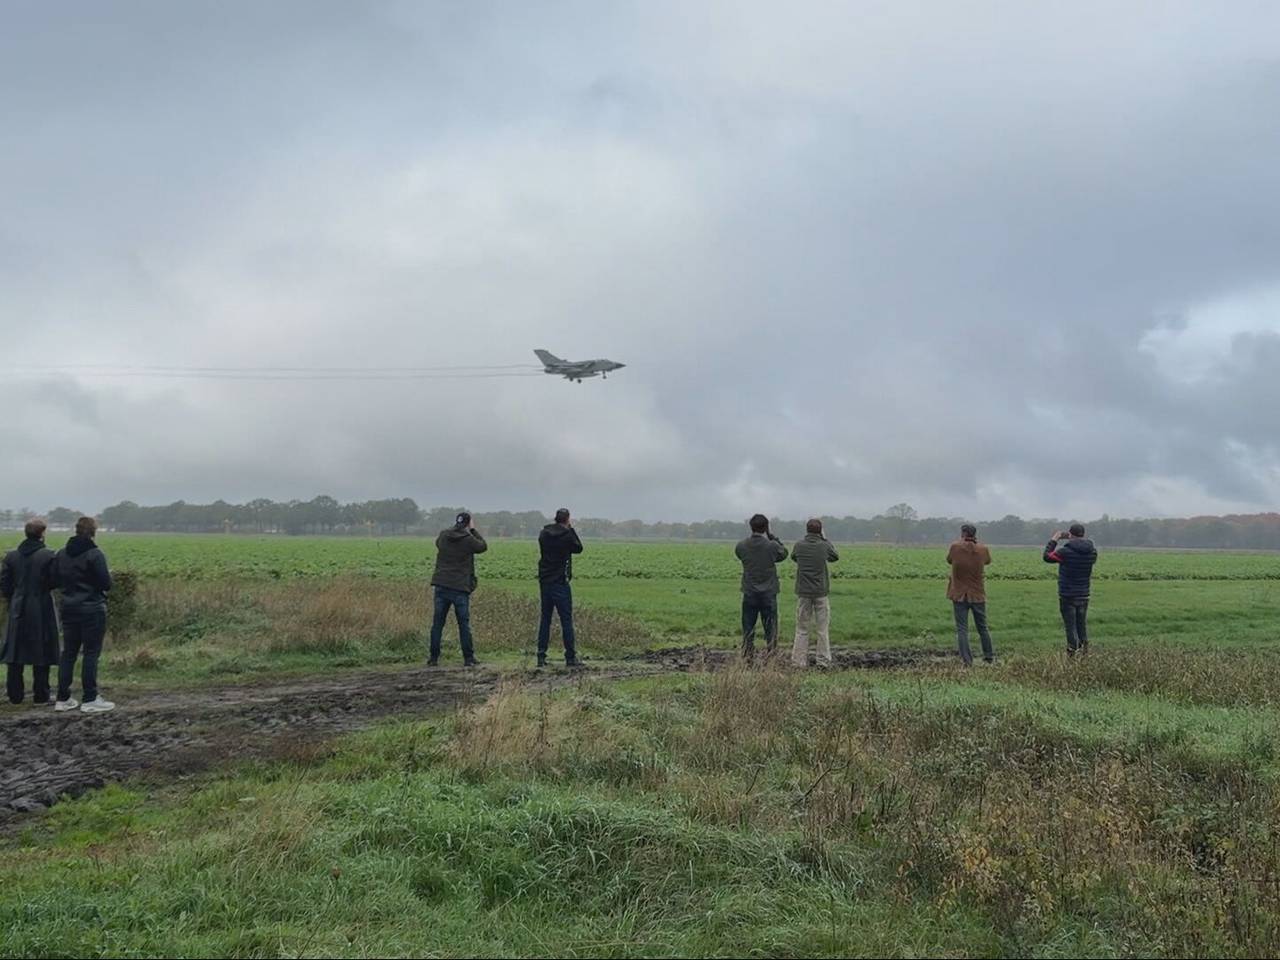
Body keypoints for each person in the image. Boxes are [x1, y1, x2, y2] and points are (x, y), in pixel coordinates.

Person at [54, 516, 115, 712]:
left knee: (68, 653)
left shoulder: (61, 554)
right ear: (93, 532)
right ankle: (90, 698)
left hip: (68, 608)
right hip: (92, 608)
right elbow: (105, 583)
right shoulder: (95, 554)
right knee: (91, 653)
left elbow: (56, 579)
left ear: (76, 530)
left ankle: (63, 698)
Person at [1, 519, 59, 705]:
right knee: (41, 649)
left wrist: (15, 597)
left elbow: (4, 585)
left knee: (14, 651)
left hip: (17, 606)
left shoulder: (11, 556)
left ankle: (14, 695)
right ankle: (41, 695)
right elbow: (54, 581)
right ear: (42, 534)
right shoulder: (49, 556)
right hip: (41, 606)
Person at [428, 511, 488, 667]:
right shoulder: (468, 539)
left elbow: (437, 544)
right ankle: (468, 658)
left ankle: (433, 658)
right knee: (463, 624)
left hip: (441, 584)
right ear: (468, 523)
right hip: (459, 587)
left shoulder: (443, 535)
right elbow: (483, 546)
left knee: (437, 623)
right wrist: (473, 530)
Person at [735, 514, 788, 662]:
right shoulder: (772, 546)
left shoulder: (741, 546)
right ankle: (771, 655)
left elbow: (740, 556)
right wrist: (773, 537)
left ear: (751, 527)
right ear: (765, 528)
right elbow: (784, 553)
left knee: (748, 626)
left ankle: (747, 655)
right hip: (768, 592)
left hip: (749, 591)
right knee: (771, 627)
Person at [536, 507, 585, 668]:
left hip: (545, 581)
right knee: (566, 620)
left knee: (545, 619)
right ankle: (570, 657)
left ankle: (541, 656)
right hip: (560, 582)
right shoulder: (567, 536)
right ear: (567, 519)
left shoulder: (544, 534)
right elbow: (578, 548)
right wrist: (571, 529)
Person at [790, 518, 839, 669]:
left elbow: (794, 557)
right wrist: (825, 538)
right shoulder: (824, 545)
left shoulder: (799, 545)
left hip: (803, 591)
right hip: (820, 591)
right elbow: (835, 556)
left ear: (807, 530)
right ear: (820, 531)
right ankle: (823, 661)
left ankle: (798, 661)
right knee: (822, 629)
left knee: (802, 628)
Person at [1044, 523, 1098, 656]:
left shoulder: (1065, 552)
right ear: (1083, 535)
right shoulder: (1092, 552)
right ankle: (1084, 654)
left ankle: (1073, 655)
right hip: (1084, 594)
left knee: (1071, 627)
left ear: (1070, 534)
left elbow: (1047, 556)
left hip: (1068, 595)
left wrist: (1055, 539)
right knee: (1081, 626)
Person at [946, 523, 995, 666]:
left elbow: (949, 560)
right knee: (982, 627)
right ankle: (988, 657)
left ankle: (967, 660)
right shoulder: (983, 549)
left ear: (963, 533)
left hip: (959, 593)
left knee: (962, 629)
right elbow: (988, 561)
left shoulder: (955, 547)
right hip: (977, 594)